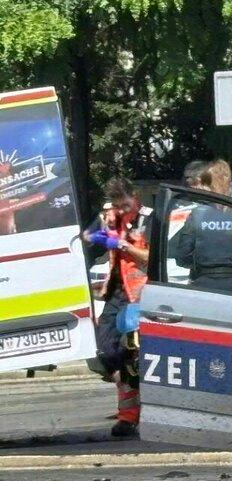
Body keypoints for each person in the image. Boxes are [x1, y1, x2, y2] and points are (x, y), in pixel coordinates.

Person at [84, 177, 151, 438]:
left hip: (139, 294)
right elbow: (85, 236)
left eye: (125, 205)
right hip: (114, 293)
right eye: (118, 206)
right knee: (106, 351)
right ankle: (130, 393)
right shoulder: (110, 216)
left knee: (130, 352)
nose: (122, 211)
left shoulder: (150, 219)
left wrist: (123, 244)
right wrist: (96, 236)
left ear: (136, 195)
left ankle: (129, 416)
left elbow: (151, 256)